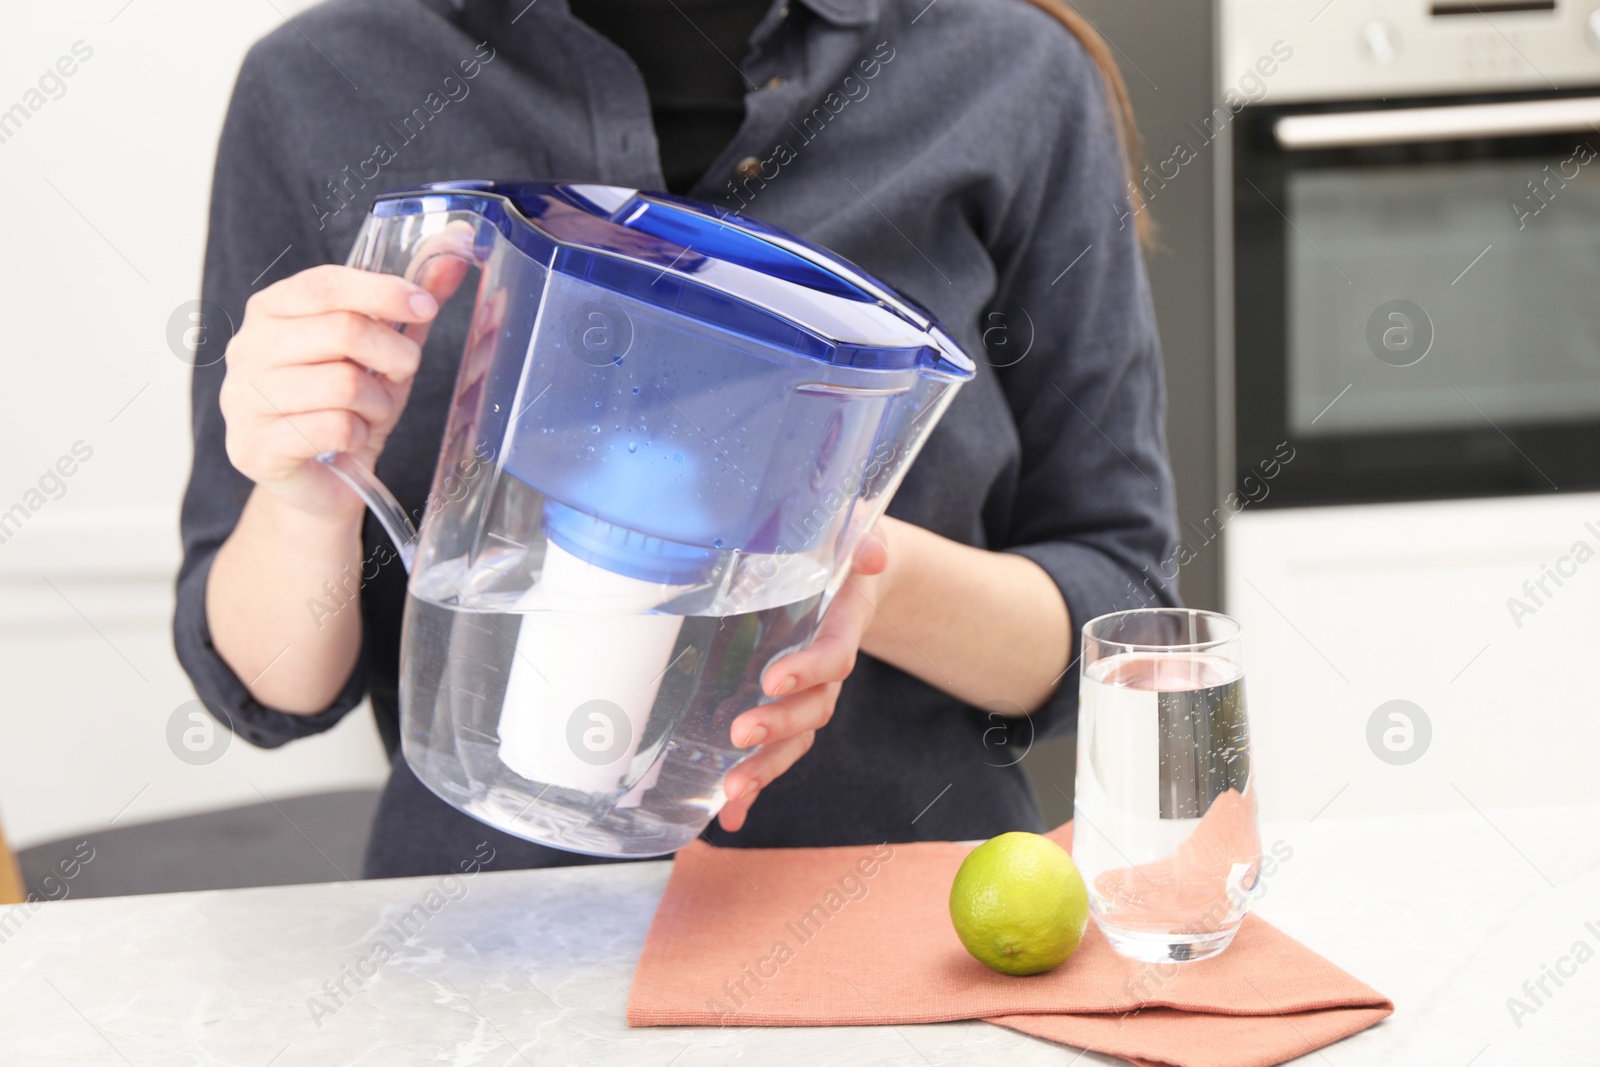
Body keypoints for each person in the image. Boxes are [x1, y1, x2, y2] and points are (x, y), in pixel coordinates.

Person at [175, 0, 1179, 879]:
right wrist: (309, 488)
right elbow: (268, 687)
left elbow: (1121, 616)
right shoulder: (321, 82)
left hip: (900, 932)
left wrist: (852, 569)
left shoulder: (1009, 72)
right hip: (480, 945)